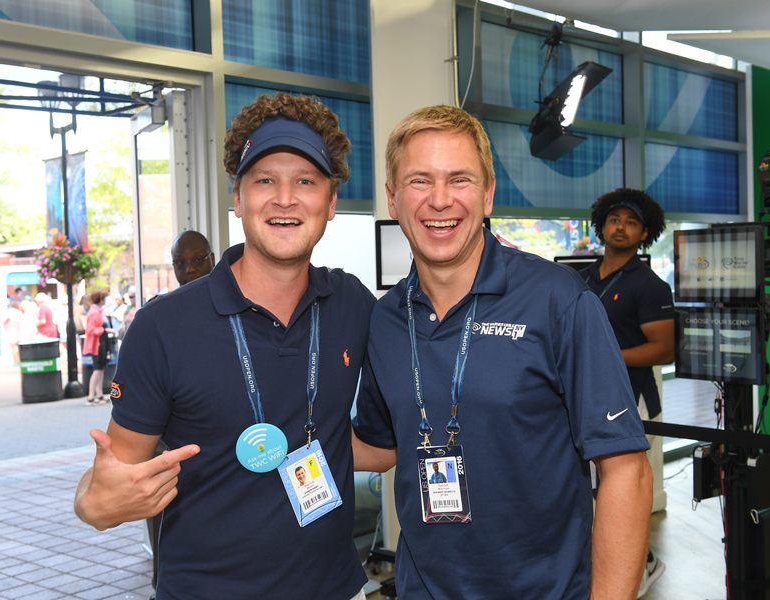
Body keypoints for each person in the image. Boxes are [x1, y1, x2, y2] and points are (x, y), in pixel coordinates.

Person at [74, 92, 374, 600]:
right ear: (237, 200)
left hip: (337, 588)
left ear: (330, 202)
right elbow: (105, 488)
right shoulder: (162, 327)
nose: (285, 198)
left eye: (305, 180)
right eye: (264, 181)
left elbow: (375, 445)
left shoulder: (352, 305)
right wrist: (94, 502)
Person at [352, 105, 653, 600]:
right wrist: (261, 430)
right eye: (420, 181)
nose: (440, 200)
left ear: (488, 193)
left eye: (460, 180)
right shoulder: (385, 319)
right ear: (392, 198)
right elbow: (381, 447)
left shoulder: (559, 300)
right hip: (421, 589)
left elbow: (627, 471)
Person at [579, 188, 675, 597]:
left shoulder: (650, 286)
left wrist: (607, 356)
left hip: (632, 397)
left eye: (631, 222)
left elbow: (665, 348)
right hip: (584, 394)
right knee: (590, 488)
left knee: (621, 490)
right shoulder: (579, 278)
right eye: (615, 219)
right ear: (601, 225)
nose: (621, 227)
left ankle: (642, 563)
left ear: (645, 233)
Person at [82, 288, 113, 406]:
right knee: (97, 370)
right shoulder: (94, 312)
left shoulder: (96, 311)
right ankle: (91, 396)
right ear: (100, 299)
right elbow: (90, 329)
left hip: (99, 343)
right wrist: (105, 330)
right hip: (97, 344)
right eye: (103, 298)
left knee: (100, 370)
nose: (105, 300)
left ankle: (99, 395)